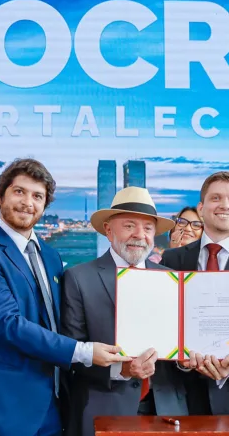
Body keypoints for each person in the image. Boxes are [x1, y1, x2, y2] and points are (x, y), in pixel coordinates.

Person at [0, 158, 129, 436]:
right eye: (19, 192)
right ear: (0, 197)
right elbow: (8, 324)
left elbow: (61, 319)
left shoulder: (50, 256)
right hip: (3, 408)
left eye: (37, 196)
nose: (28, 202)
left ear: (45, 205)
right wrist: (84, 352)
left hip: (55, 403)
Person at [61, 187, 187, 436]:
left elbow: (181, 342)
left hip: (166, 410)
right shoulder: (78, 278)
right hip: (104, 407)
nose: (139, 235)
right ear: (108, 230)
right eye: (129, 226)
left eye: (148, 228)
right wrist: (121, 370)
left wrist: (187, 358)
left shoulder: (172, 279)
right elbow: (71, 350)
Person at [160, 171, 229, 415]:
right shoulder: (172, 259)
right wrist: (183, 361)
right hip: (182, 398)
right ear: (201, 208)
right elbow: (164, 324)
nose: (225, 205)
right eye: (216, 198)